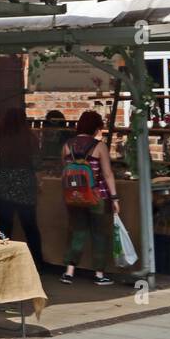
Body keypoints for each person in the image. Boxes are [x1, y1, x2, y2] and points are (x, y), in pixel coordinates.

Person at [61, 110, 117, 286]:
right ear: (96, 128)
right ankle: (99, 275)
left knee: (77, 232)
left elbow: (65, 171)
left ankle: (69, 272)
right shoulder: (99, 146)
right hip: (97, 195)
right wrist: (114, 197)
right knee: (99, 234)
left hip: (74, 196)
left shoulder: (67, 145)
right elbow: (107, 174)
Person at [0, 108, 44, 267]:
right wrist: (39, 182)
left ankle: (2, 261)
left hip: (1, 187)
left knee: (4, 226)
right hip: (25, 187)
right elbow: (37, 165)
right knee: (30, 226)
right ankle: (37, 262)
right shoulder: (29, 138)